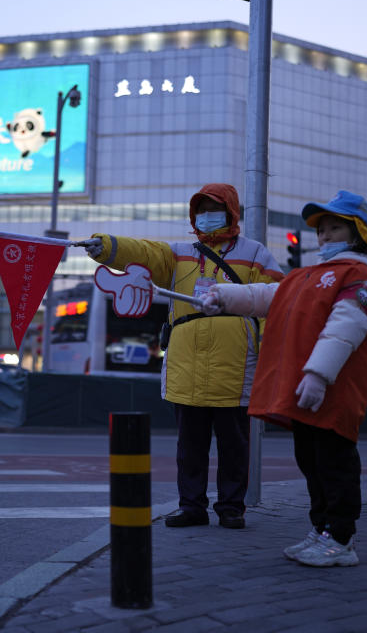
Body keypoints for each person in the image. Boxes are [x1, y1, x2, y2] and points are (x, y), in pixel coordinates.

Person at [196, 190, 367, 566]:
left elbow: (346, 327)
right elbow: (268, 295)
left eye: (334, 228)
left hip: (333, 391)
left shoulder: (363, 278)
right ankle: (321, 531)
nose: (324, 237)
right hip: (308, 390)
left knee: (334, 464)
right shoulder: (311, 275)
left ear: (358, 234)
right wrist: (222, 296)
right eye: (321, 230)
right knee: (312, 462)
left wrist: (318, 375)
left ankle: (341, 538)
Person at [83, 183, 283, 529]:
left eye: (214, 208)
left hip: (237, 369)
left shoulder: (256, 254)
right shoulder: (177, 253)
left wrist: (266, 353)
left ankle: (231, 508)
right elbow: (142, 252)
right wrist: (108, 247)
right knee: (190, 447)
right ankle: (192, 507)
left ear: (232, 211)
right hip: (185, 366)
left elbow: (274, 304)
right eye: (201, 209)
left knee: (235, 447)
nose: (207, 215)